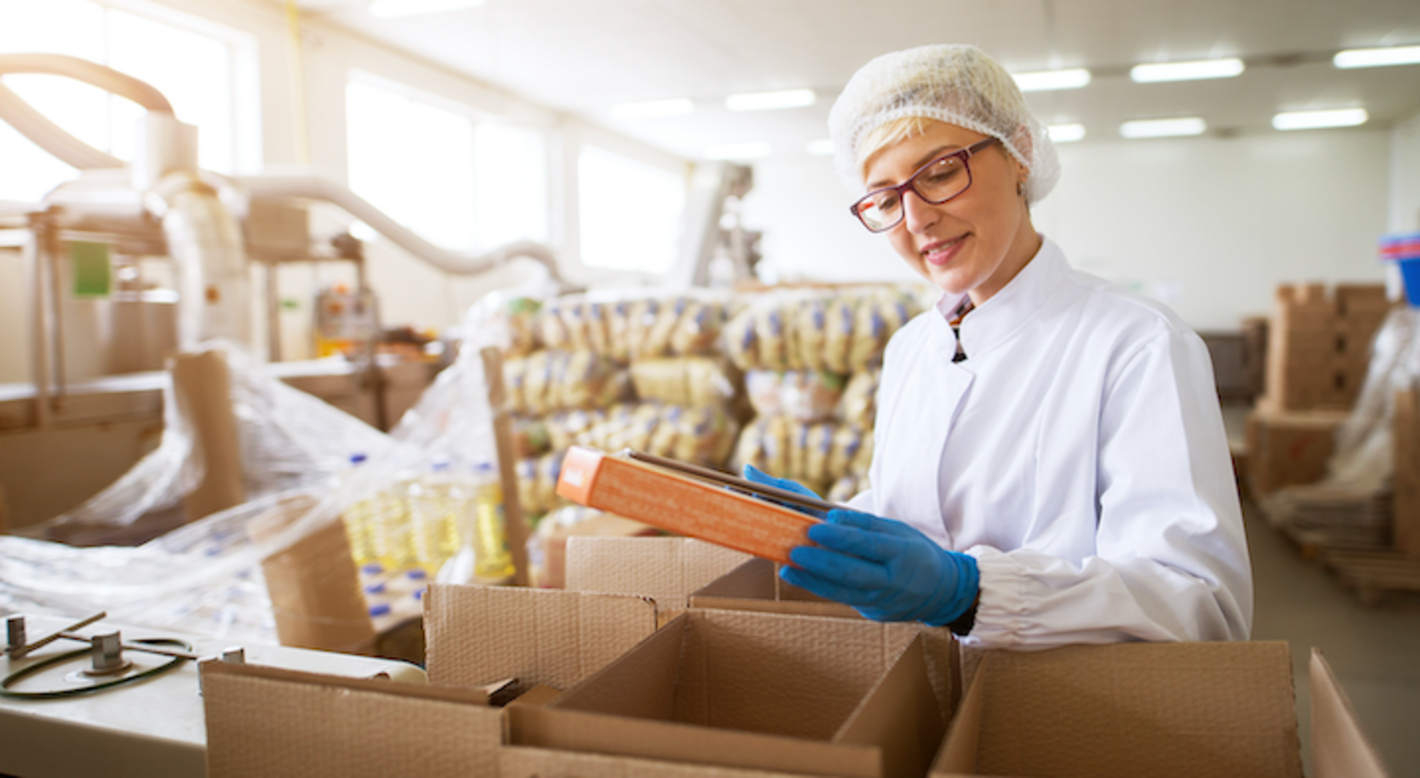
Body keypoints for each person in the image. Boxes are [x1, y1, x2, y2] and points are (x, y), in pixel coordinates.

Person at [743, 44, 1252, 647]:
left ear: (1020, 155)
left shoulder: (1137, 344)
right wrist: (847, 527)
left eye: (938, 173)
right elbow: (927, 512)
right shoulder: (911, 348)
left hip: (1072, 719)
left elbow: (1199, 605)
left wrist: (970, 593)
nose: (916, 220)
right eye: (885, 199)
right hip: (921, 700)